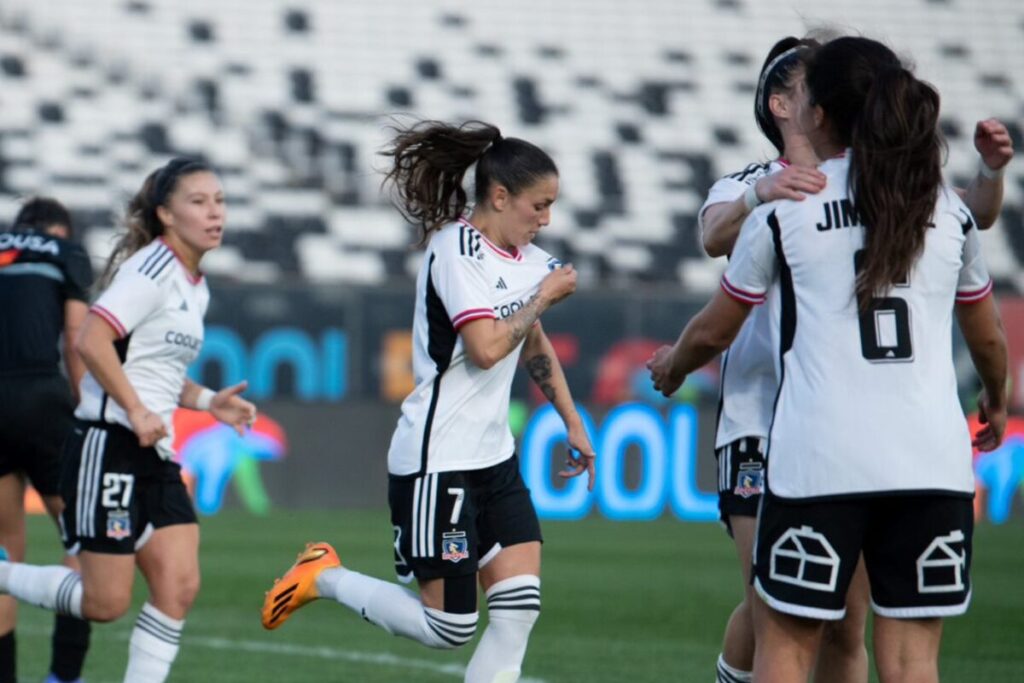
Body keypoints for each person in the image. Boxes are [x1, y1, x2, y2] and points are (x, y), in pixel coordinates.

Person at [650, 36, 1008, 683]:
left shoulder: (791, 210)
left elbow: (715, 325)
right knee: (898, 655)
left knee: (802, 633)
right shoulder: (921, 199)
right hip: (915, 454)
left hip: (816, 446)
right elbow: (985, 329)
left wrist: (674, 365)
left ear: (819, 110)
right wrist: (996, 394)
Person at [262, 120, 596, 683]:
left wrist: (572, 420)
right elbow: (488, 348)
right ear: (499, 196)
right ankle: (324, 575)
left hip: (495, 459)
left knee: (518, 610)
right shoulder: (454, 250)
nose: (546, 219)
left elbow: (531, 341)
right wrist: (542, 295)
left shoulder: (533, 261)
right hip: (437, 461)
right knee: (450, 627)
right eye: (539, 205)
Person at [0, 158, 257, 683]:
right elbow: (90, 338)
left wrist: (210, 402)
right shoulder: (152, 269)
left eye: (220, 200)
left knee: (179, 587)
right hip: (108, 445)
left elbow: (151, 370)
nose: (215, 213)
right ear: (165, 214)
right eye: (198, 201)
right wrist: (135, 410)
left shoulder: (196, 285)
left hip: (154, 454)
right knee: (104, 602)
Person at [0, 198, 93, 683]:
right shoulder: (66, 251)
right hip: (42, 401)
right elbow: (76, 338)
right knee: (82, 542)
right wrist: (87, 412)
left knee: (2, 562)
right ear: (60, 229)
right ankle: (63, 676)